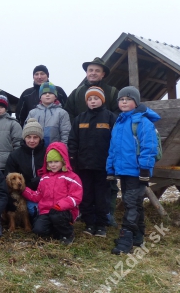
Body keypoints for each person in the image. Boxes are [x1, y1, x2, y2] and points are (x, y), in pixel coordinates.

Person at [63, 57, 121, 226]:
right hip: (84, 151)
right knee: (85, 186)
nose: (93, 73)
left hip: (103, 151)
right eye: (90, 70)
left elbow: (118, 116)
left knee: (108, 187)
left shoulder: (112, 92)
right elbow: (69, 113)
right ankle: (86, 214)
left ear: (103, 74)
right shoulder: (77, 92)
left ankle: (107, 215)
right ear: (87, 73)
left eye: (97, 70)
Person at [107, 86, 160, 255]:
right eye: (121, 99)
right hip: (124, 171)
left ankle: (126, 239)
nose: (124, 102)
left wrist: (145, 169)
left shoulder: (142, 122)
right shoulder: (119, 122)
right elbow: (113, 148)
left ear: (136, 103)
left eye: (128, 99)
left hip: (137, 172)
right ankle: (138, 236)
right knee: (135, 203)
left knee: (130, 203)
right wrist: (111, 168)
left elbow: (149, 147)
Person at [68, 86, 116, 238]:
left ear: (102, 100)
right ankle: (89, 223)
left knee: (102, 196)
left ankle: (101, 225)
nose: (93, 101)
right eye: (90, 99)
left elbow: (116, 141)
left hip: (103, 166)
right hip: (84, 166)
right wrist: (73, 160)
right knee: (86, 195)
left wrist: (113, 161)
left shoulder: (110, 117)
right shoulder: (80, 119)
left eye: (96, 99)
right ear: (86, 101)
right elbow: (73, 141)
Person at [22, 142, 83, 245]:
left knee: (56, 216)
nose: (53, 165)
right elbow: (38, 195)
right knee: (38, 230)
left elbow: (76, 197)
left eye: (56, 161)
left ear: (63, 161)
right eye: (50, 162)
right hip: (46, 211)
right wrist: (23, 190)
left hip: (64, 211)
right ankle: (56, 231)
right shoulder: (45, 178)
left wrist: (61, 205)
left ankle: (68, 233)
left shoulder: (72, 177)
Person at [5, 118, 46, 222]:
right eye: (28, 137)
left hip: (44, 193)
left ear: (40, 138)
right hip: (23, 194)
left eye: (35, 137)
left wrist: (38, 180)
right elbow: (8, 177)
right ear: (24, 138)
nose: (32, 141)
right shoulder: (15, 155)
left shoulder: (47, 153)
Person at [26, 82, 71, 147]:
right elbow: (27, 132)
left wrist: (63, 148)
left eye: (50, 93)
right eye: (44, 93)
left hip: (55, 150)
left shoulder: (62, 113)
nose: (47, 95)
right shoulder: (32, 113)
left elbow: (66, 134)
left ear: (55, 96)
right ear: (40, 97)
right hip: (36, 150)